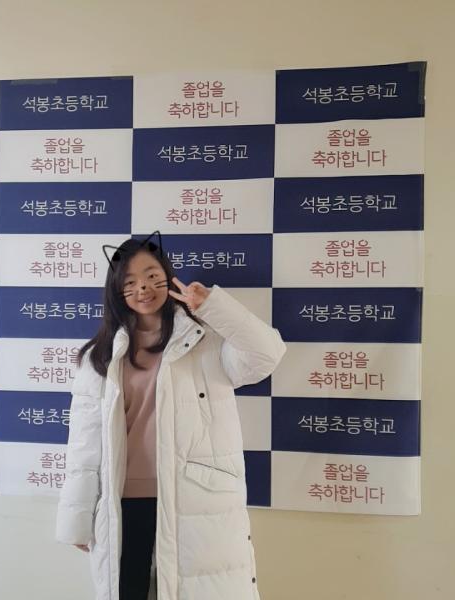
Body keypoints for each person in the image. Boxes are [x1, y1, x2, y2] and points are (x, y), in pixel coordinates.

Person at [55, 231, 287, 600]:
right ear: (117, 292)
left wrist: (212, 306)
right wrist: (77, 519)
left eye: (151, 276)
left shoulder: (207, 341)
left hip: (194, 500)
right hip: (123, 503)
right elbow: (85, 445)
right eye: (130, 282)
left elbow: (267, 355)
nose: (143, 288)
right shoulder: (100, 356)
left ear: (167, 275)